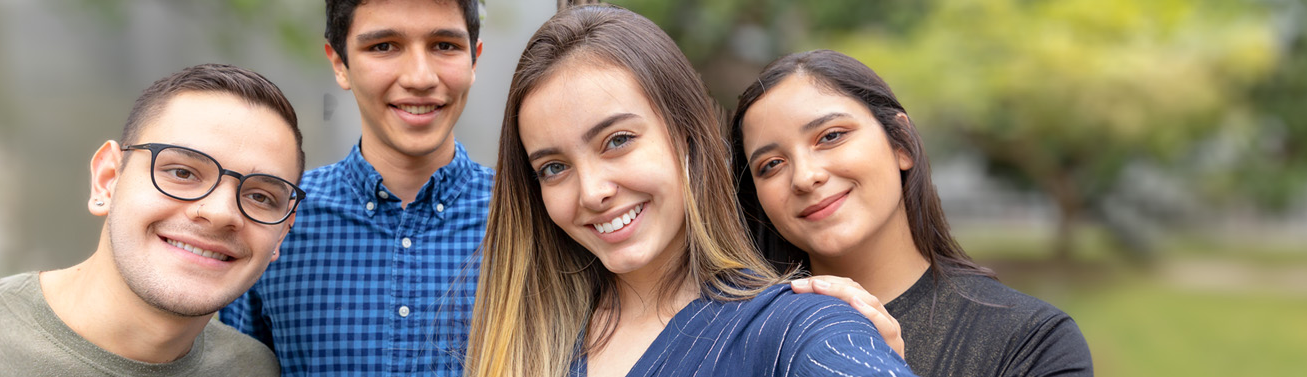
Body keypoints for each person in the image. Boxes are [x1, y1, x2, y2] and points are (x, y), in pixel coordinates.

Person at [466, 6, 915, 377]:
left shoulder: (799, 329)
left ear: (686, 137)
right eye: (554, 167)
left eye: (618, 140)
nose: (592, 191)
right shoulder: (519, 341)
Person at [0, 64, 303, 376]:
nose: (218, 212)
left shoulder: (250, 369)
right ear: (107, 179)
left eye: (260, 197)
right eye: (181, 171)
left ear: (282, 232)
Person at [729, 49, 1094, 376]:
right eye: (772, 164)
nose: (806, 177)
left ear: (901, 143)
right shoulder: (735, 341)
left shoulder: (1032, 342)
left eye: (831, 136)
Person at [218, 0, 494, 375]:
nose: (420, 77)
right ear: (339, 63)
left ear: (474, 60)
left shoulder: (527, 215)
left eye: (444, 45)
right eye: (383, 46)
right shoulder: (275, 217)